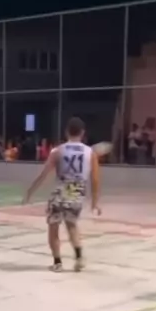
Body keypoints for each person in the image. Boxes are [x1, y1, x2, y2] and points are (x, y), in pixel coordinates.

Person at [23, 116, 100, 272]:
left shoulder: (58, 151)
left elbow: (43, 174)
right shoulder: (90, 152)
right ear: (82, 133)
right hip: (77, 191)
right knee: (72, 224)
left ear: (66, 132)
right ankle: (78, 255)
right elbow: (95, 179)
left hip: (61, 190)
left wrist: (30, 192)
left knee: (53, 225)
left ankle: (57, 262)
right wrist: (95, 202)